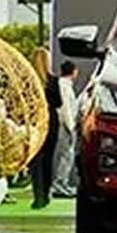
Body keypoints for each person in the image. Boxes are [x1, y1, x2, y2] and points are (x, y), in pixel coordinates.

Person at [30, 58, 67, 208]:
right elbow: (58, 102)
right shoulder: (53, 81)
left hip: (35, 120)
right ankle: (46, 193)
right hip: (51, 120)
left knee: (35, 160)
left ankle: (38, 195)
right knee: (48, 158)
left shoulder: (30, 79)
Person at [50, 60, 80, 198]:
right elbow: (65, 107)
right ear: (73, 71)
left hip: (67, 124)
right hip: (66, 125)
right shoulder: (63, 86)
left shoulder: (65, 85)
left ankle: (62, 183)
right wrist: (70, 126)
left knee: (67, 155)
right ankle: (59, 184)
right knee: (66, 155)